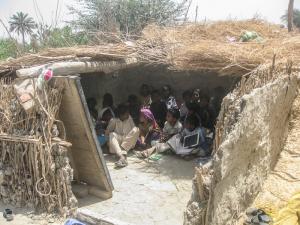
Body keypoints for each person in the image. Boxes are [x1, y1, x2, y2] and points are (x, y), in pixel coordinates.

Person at [105, 104, 140, 168]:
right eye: (126, 113)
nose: (128, 114)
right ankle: (122, 156)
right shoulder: (114, 120)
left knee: (136, 129)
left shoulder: (129, 118)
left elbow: (133, 131)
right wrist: (108, 143)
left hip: (128, 142)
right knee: (111, 134)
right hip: (118, 144)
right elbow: (107, 132)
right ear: (121, 115)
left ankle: (122, 155)